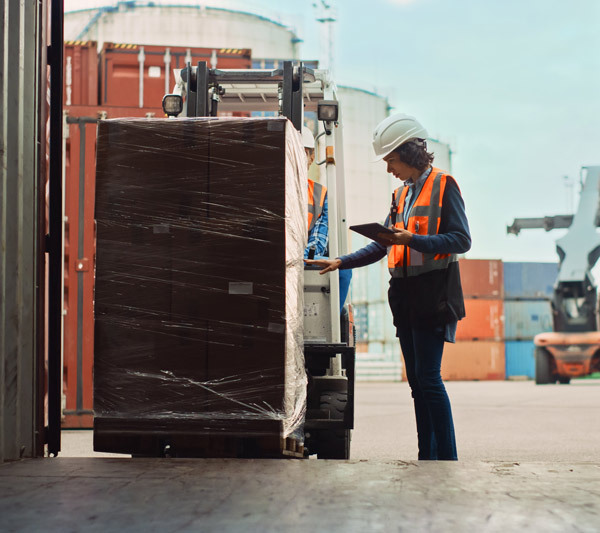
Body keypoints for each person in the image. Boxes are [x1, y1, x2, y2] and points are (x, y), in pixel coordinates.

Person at [305, 114, 471, 460]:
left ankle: (448, 458)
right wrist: (340, 262)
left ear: (408, 153)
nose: (388, 169)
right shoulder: (400, 196)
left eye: (390, 161)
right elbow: (382, 245)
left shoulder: (445, 186)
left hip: (434, 294)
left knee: (429, 379)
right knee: (416, 385)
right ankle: (428, 456)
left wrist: (413, 239)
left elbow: (461, 240)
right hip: (406, 298)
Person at [301, 126, 352, 310]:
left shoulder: (320, 194)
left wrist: (299, 259)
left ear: (311, 158)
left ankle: (333, 323)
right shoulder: (270, 190)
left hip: (304, 258)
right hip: (275, 259)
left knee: (343, 269)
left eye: (301, 153)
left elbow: (318, 239)